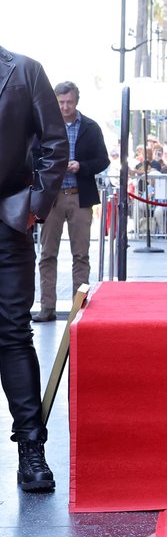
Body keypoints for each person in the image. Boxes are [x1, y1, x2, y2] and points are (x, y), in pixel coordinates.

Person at [0, 45, 68, 490]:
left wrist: (34, 206)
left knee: (12, 330)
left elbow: (55, 142)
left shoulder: (24, 71)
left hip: (8, 219)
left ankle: (31, 449)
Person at [32, 81, 110, 323]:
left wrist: (81, 166)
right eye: (61, 102)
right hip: (52, 198)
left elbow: (103, 160)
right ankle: (47, 307)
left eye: (70, 102)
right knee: (47, 254)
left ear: (77, 101)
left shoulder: (90, 127)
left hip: (80, 196)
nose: (65, 106)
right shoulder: (44, 126)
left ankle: (80, 307)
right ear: (55, 101)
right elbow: (33, 156)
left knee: (81, 255)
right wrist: (53, 168)